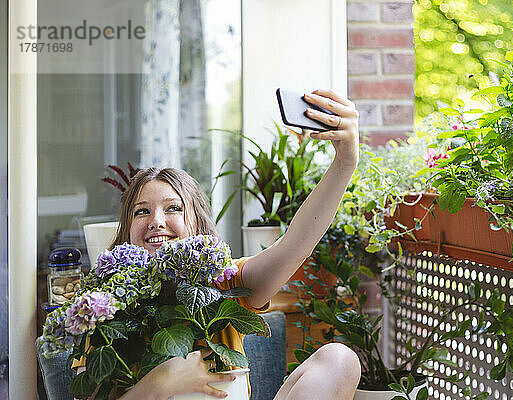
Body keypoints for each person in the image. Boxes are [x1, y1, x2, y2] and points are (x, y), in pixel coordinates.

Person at [78, 89, 362, 400]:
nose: (156, 220)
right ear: (126, 228)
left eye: (174, 208)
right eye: (141, 211)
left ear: (197, 227)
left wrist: (345, 163)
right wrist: (160, 382)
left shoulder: (225, 282)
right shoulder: (100, 310)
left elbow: (294, 246)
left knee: (340, 360)